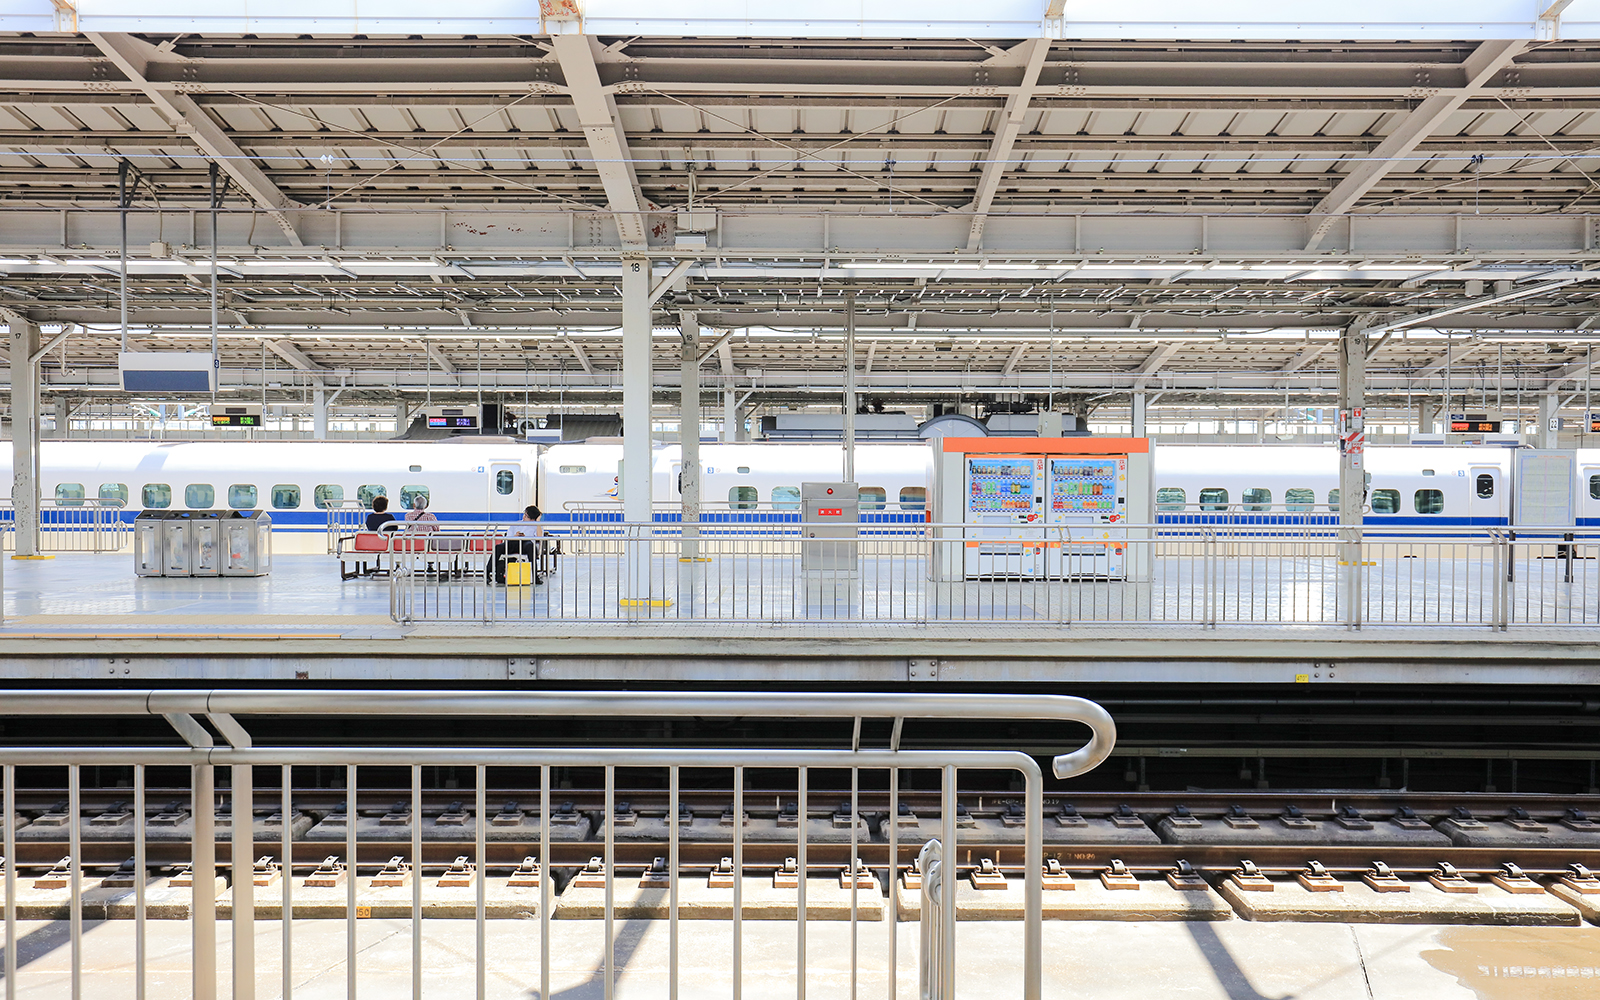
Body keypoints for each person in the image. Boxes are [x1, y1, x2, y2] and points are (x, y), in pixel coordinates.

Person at [489, 505, 545, 584]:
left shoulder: (536, 526)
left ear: (532, 518)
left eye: (526, 516)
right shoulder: (517, 523)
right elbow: (508, 537)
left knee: (530, 546)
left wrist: (538, 521)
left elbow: (539, 537)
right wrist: (515, 536)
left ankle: (535, 576)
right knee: (498, 547)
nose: (524, 517)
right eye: (524, 514)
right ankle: (488, 572)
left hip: (526, 544)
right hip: (514, 542)